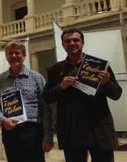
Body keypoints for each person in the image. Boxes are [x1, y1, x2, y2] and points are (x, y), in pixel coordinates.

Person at [43, 28, 122, 162]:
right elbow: (47, 97)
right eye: (67, 41)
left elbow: (117, 94)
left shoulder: (100, 66)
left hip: (99, 131)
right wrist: (60, 87)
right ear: (62, 44)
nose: (72, 43)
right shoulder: (55, 70)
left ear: (82, 43)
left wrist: (106, 83)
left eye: (76, 40)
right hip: (71, 133)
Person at [0, 40, 53, 162]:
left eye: (17, 53)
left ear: (24, 55)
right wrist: (3, 120)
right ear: (6, 56)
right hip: (10, 132)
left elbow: (46, 108)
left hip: (33, 131)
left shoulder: (37, 78)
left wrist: (48, 136)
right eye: (10, 53)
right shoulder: (0, 79)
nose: (14, 56)